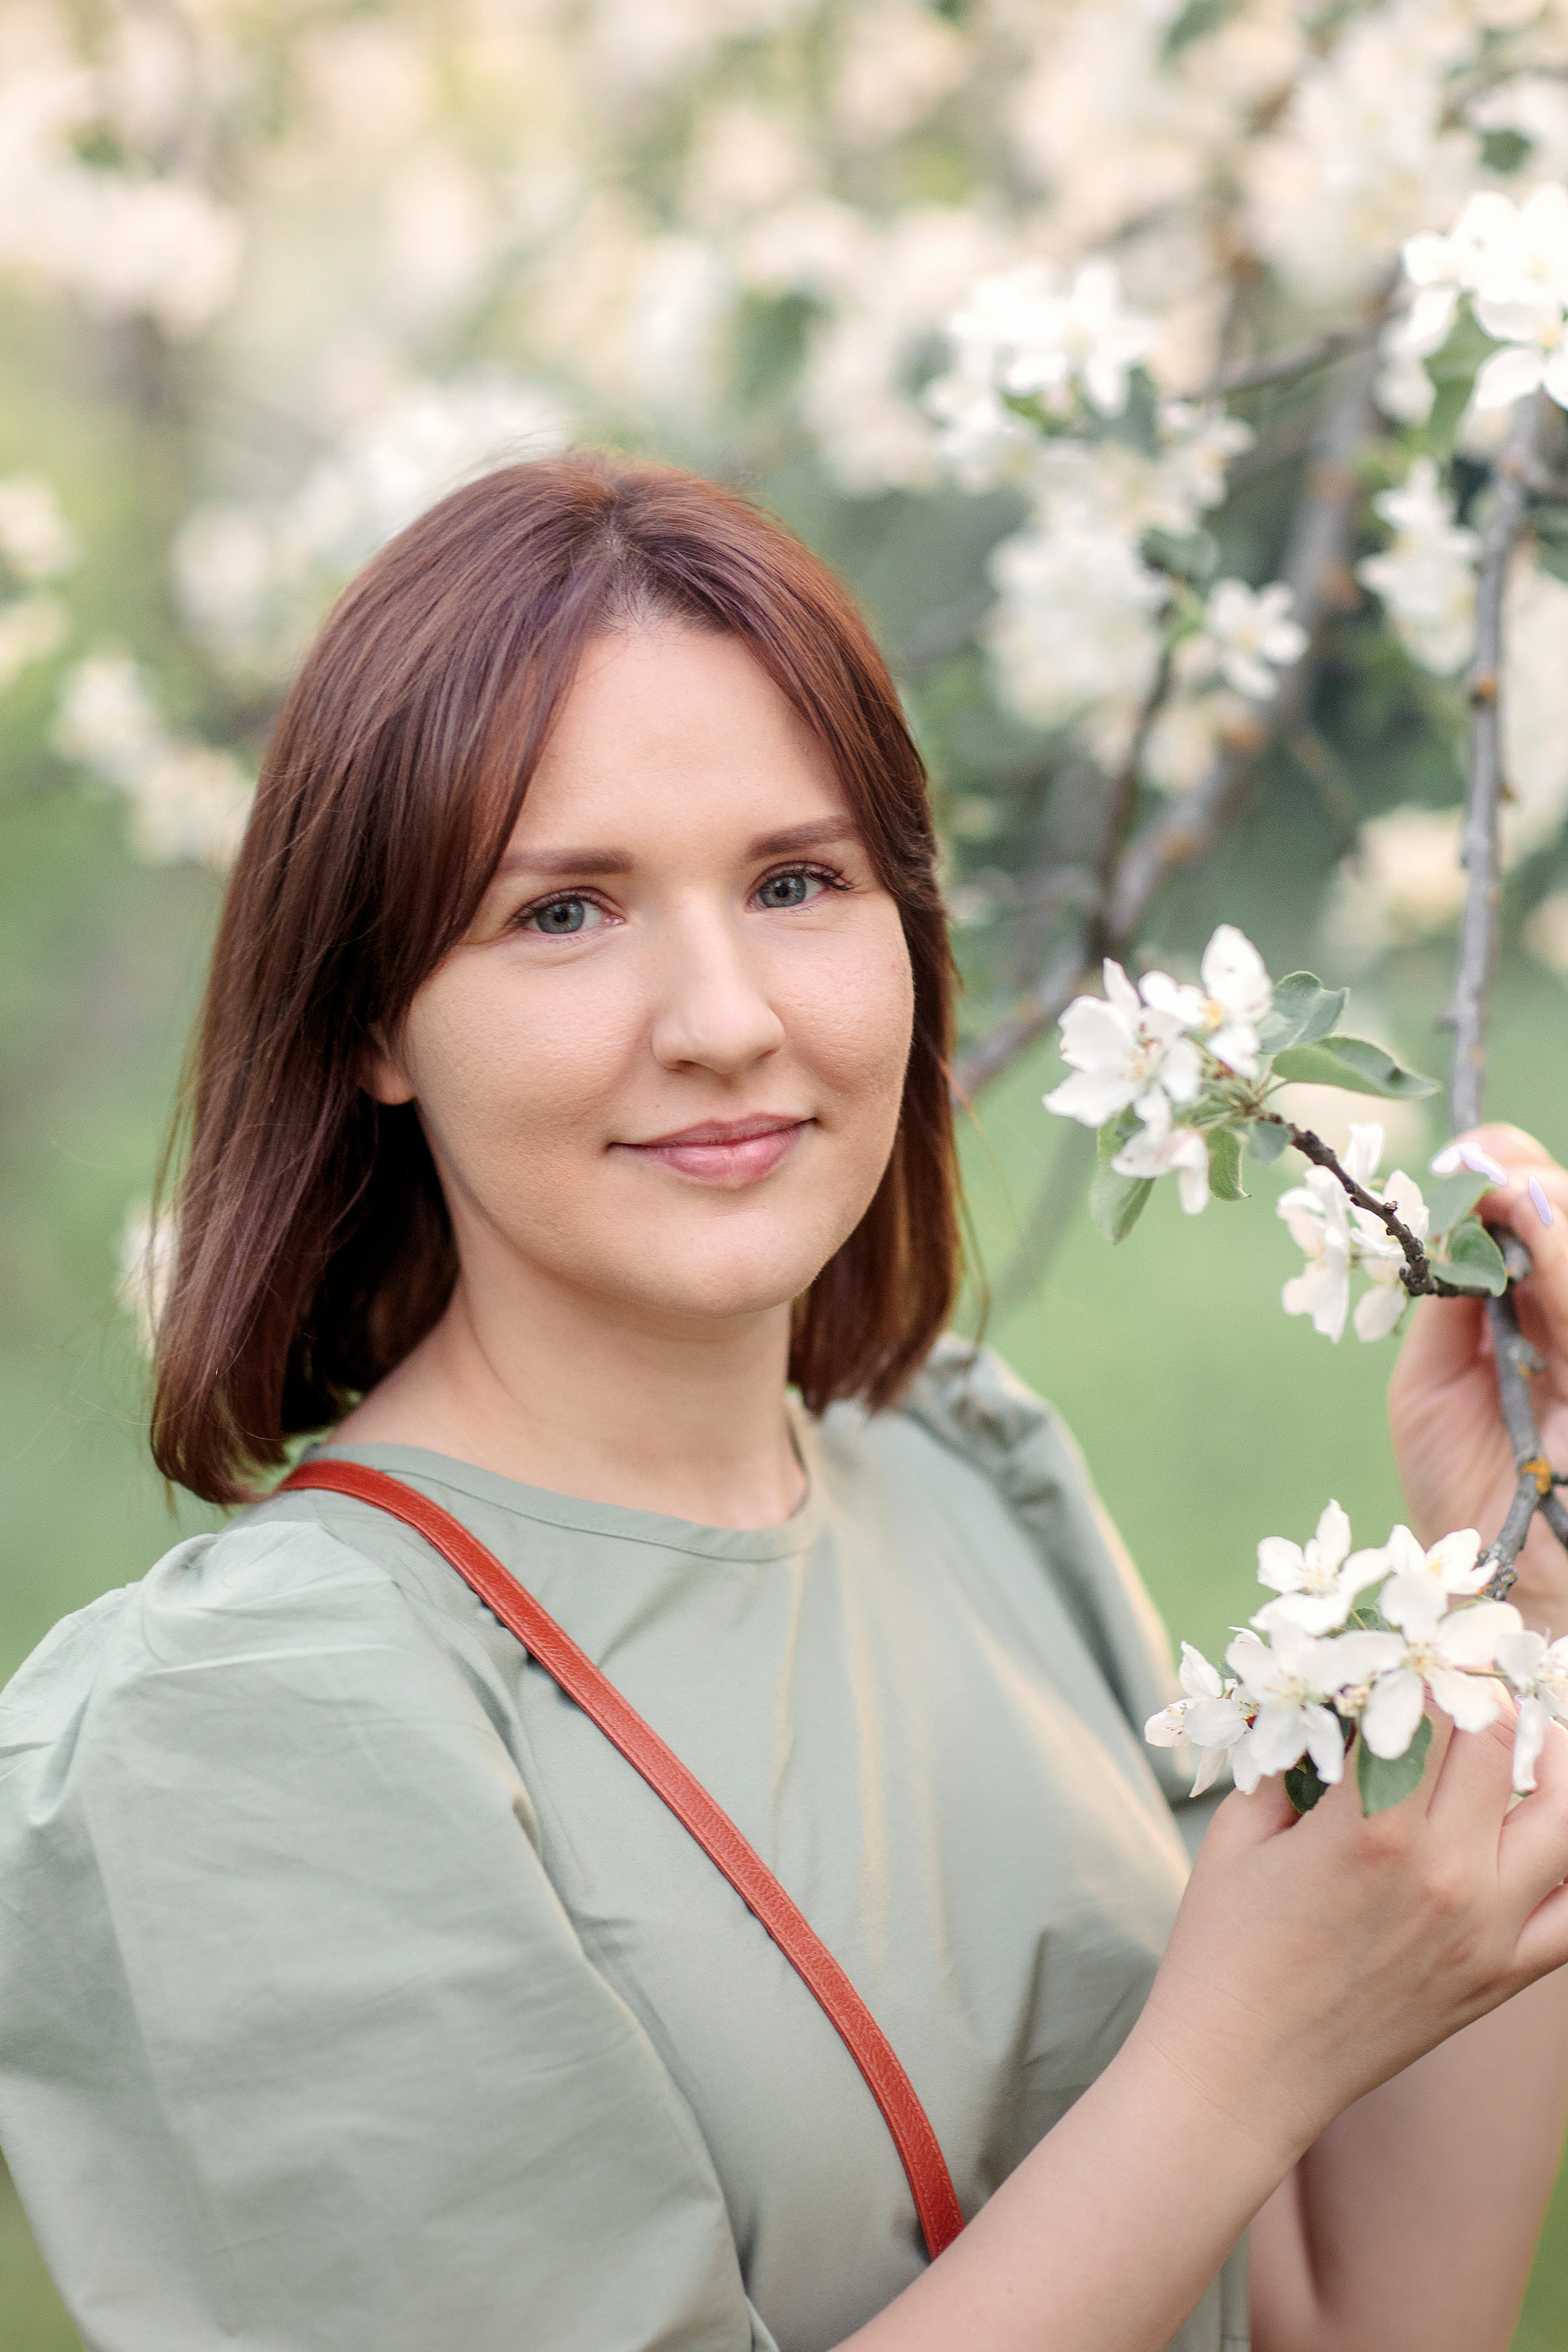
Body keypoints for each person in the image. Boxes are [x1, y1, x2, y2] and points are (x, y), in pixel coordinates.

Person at [1, 453, 1567, 2352]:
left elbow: (1367, 2321)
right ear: (370, 1018)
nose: (728, 1018)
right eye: (565, 913)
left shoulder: (967, 1477)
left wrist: (1527, 1583)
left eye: (797, 882)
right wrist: (1226, 2069)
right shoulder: (244, 1730)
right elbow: (1221, 2105)